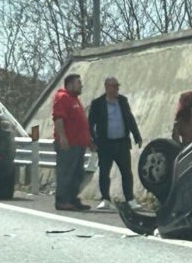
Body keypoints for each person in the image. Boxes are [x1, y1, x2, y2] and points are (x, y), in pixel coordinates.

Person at [89, 77, 144, 211]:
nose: (116, 89)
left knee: (126, 172)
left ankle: (130, 200)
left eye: (117, 86)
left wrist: (137, 135)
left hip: (122, 143)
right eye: (114, 86)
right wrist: (92, 140)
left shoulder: (123, 101)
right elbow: (90, 124)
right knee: (104, 172)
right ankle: (106, 199)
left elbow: (129, 118)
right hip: (105, 144)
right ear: (107, 87)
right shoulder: (97, 103)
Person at [52, 74, 92, 211]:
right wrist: (63, 137)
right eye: (78, 82)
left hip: (79, 144)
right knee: (66, 172)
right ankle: (62, 200)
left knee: (77, 173)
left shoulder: (74, 100)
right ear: (69, 84)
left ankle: (73, 199)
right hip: (68, 144)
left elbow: (80, 124)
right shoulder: (63, 97)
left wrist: (89, 141)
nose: (81, 85)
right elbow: (58, 119)